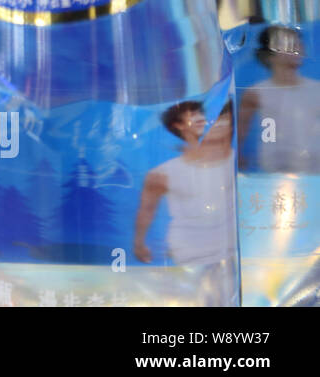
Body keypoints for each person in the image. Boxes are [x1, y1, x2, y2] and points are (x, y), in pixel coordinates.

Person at [134, 100, 235, 266]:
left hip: (230, 251)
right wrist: (139, 243)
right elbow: (147, 210)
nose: (201, 118)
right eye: (192, 115)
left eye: (202, 113)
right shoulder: (162, 173)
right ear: (178, 125)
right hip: (189, 253)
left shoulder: (234, 160)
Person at [238, 25, 320, 173]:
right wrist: (238, 161)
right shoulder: (256, 92)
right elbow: (241, 133)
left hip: (316, 166)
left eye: (297, 43)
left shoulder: (316, 89)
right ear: (268, 55)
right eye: (286, 45)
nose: (295, 49)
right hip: (276, 169)